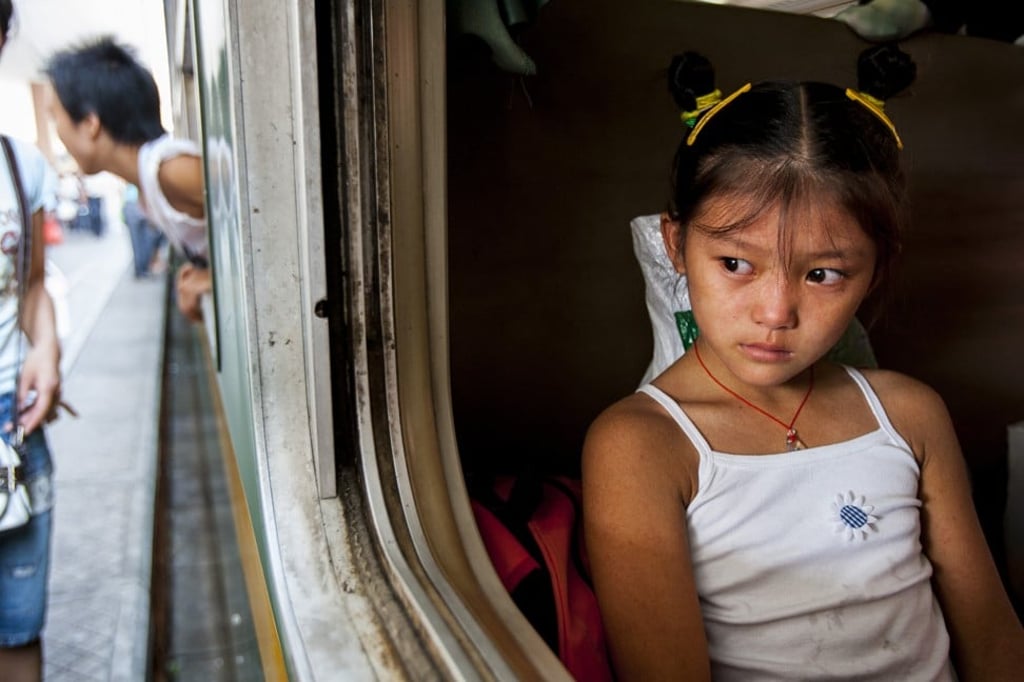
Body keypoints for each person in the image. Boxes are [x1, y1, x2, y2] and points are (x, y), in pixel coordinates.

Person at [582, 45, 1024, 680]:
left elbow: (993, 636)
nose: (776, 312)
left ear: (875, 270)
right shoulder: (642, 446)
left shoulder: (909, 414)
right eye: (736, 264)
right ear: (676, 245)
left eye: (822, 274)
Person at [44, 36, 210, 322]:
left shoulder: (171, 170)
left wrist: (213, 279)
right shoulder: (149, 180)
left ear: (89, 123)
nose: (57, 132)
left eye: (55, 118)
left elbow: (279, 220)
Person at [0, 2, 63, 680]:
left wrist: (45, 350)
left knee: (17, 628)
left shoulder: (23, 168)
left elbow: (33, 287)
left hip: (12, 433)